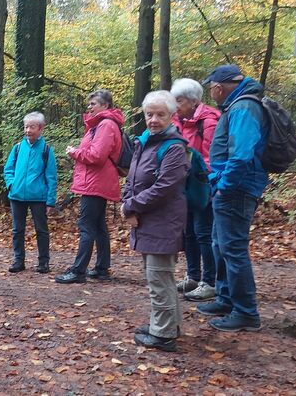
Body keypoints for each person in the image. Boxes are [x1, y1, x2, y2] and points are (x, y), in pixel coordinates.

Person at [197, 65, 268, 332]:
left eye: (211, 88)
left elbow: (240, 155)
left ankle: (246, 312)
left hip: (237, 190)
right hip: (230, 188)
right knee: (220, 245)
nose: (211, 93)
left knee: (233, 250)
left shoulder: (243, 107)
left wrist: (225, 186)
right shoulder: (238, 105)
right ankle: (226, 299)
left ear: (218, 87)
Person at [122, 90, 190, 352]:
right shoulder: (144, 142)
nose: (153, 119)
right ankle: (167, 325)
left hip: (164, 222)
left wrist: (131, 205)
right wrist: (128, 204)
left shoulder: (174, 147)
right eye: (149, 114)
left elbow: (165, 188)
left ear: (172, 116)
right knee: (158, 278)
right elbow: (132, 179)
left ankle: (163, 335)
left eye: (160, 114)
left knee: (159, 279)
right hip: (147, 220)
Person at [56, 90, 124, 284]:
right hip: (96, 181)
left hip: (95, 182)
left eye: (93, 103)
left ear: (105, 105)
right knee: (98, 225)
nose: (89, 107)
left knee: (86, 225)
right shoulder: (102, 124)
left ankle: (78, 271)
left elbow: (96, 156)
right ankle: (101, 268)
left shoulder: (106, 125)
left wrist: (74, 152)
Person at [171, 78, 221, 302]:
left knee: (203, 233)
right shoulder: (177, 121)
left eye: (179, 100)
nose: (175, 105)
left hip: (202, 185)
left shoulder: (209, 121)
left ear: (193, 101)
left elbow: (213, 157)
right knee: (188, 232)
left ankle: (209, 282)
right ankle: (193, 276)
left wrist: (202, 178)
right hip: (183, 185)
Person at [3, 112, 58, 274]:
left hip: (38, 197)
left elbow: (51, 177)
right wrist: (11, 184)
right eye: (26, 127)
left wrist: (50, 201)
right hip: (17, 196)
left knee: (41, 230)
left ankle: (43, 262)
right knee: (17, 230)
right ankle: (18, 260)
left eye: (32, 127)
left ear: (40, 129)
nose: (28, 130)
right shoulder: (18, 148)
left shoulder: (46, 150)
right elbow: (8, 169)